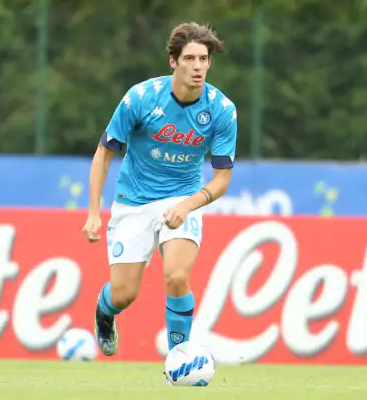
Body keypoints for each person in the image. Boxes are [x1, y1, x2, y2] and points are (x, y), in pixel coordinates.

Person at [81, 22, 238, 359]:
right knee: (124, 294)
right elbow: (104, 154)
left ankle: (179, 358)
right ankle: (105, 311)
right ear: (173, 61)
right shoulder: (141, 98)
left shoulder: (221, 110)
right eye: (190, 59)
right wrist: (94, 211)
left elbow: (221, 180)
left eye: (204, 59)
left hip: (183, 197)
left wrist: (188, 205)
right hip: (134, 200)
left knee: (177, 276)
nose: (198, 67)